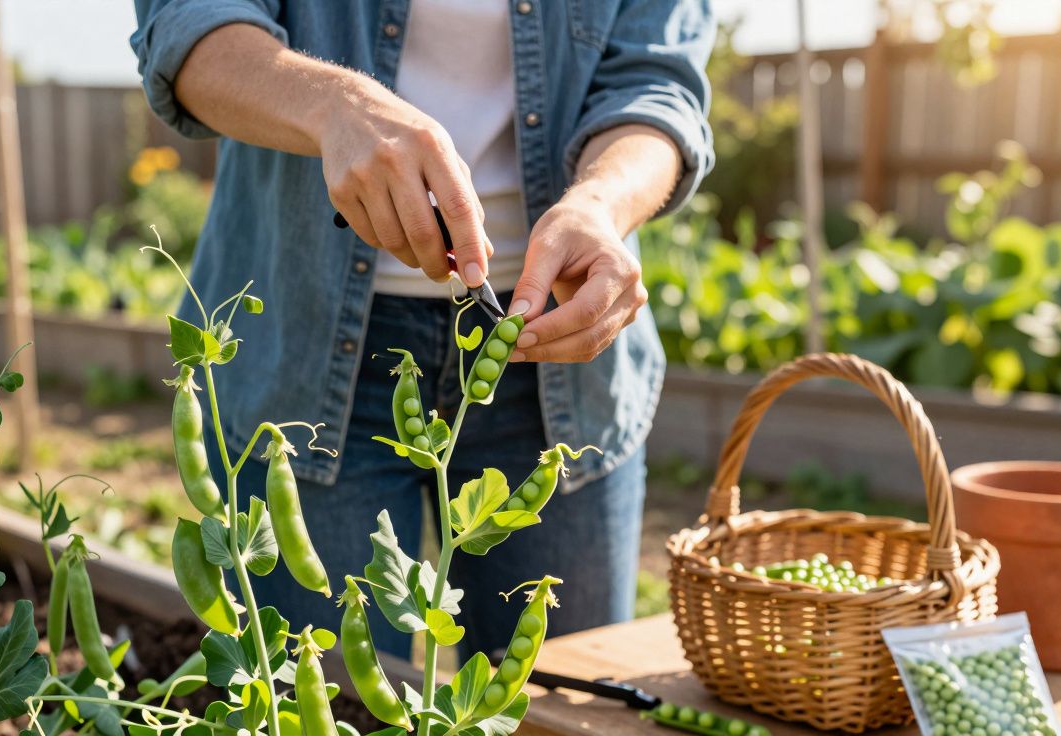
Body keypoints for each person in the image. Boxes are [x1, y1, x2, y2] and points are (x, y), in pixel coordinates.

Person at [130, 0, 714, 657]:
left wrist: (603, 202)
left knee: (559, 702)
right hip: (303, 345)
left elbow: (656, 82)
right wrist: (335, 105)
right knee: (324, 696)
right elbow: (188, 26)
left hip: (559, 355)